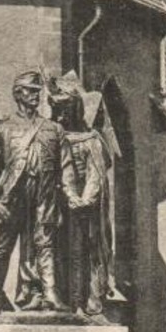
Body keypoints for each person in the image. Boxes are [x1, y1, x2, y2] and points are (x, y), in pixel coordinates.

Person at [0, 70, 74, 315]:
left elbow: (66, 166)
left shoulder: (54, 129)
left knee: (45, 244)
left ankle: (50, 293)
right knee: (3, 247)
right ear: (18, 94)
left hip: (44, 193)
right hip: (14, 195)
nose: (35, 96)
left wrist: (71, 195)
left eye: (37, 92)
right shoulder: (4, 129)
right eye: (30, 91)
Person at [49, 76, 113, 316]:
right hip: (59, 205)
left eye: (66, 110)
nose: (62, 116)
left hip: (85, 209)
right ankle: (63, 299)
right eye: (58, 110)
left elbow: (96, 174)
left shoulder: (91, 140)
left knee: (83, 253)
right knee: (59, 253)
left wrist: (84, 199)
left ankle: (83, 300)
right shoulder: (54, 138)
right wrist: (67, 196)